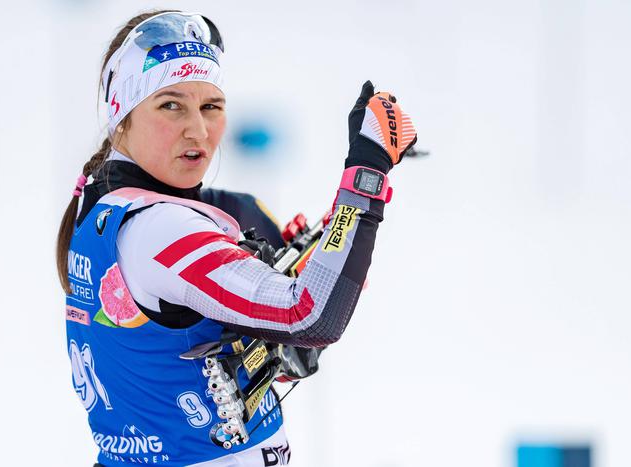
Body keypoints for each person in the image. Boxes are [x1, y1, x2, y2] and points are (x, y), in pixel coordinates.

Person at [57, 9, 417, 467]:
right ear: (121, 114)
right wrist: (367, 173)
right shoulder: (159, 229)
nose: (198, 129)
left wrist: (265, 349)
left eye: (211, 107)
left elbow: (173, 359)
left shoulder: (109, 206)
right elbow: (309, 315)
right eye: (171, 104)